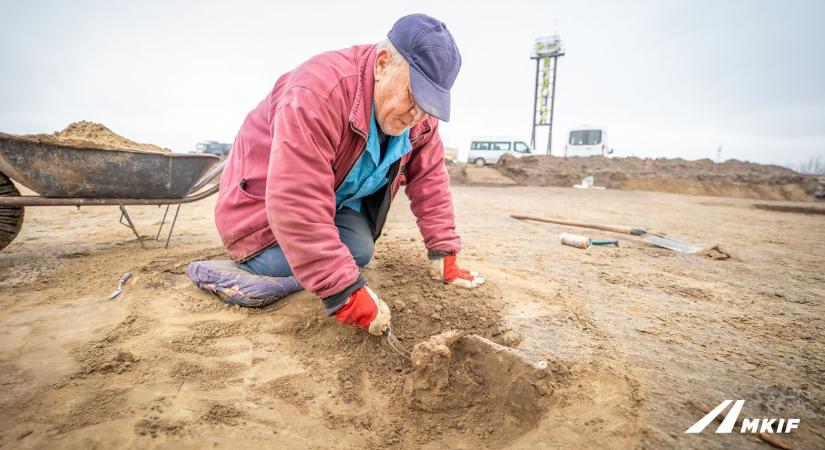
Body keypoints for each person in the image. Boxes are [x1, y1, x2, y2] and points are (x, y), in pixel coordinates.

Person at [187, 14, 483, 336]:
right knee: (283, 264)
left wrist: (444, 252)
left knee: (359, 253)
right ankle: (237, 273)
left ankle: (307, 272)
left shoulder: (421, 118)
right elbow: (296, 197)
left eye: (430, 104)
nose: (418, 116)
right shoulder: (320, 90)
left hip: (333, 202)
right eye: (413, 96)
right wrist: (344, 292)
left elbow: (431, 180)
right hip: (259, 207)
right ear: (383, 64)